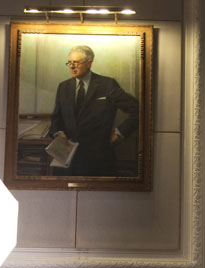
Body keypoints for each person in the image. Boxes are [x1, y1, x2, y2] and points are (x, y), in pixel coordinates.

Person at [48, 45, 139, 177]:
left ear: (89, 63)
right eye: (70, 62)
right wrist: (58, 132)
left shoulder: (108, 85)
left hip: (98, 160)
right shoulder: (64, 87)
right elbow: (56, 119)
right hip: (67, 163)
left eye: (76, 63)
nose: (72, 66)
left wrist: (119, 133)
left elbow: (138, 110)